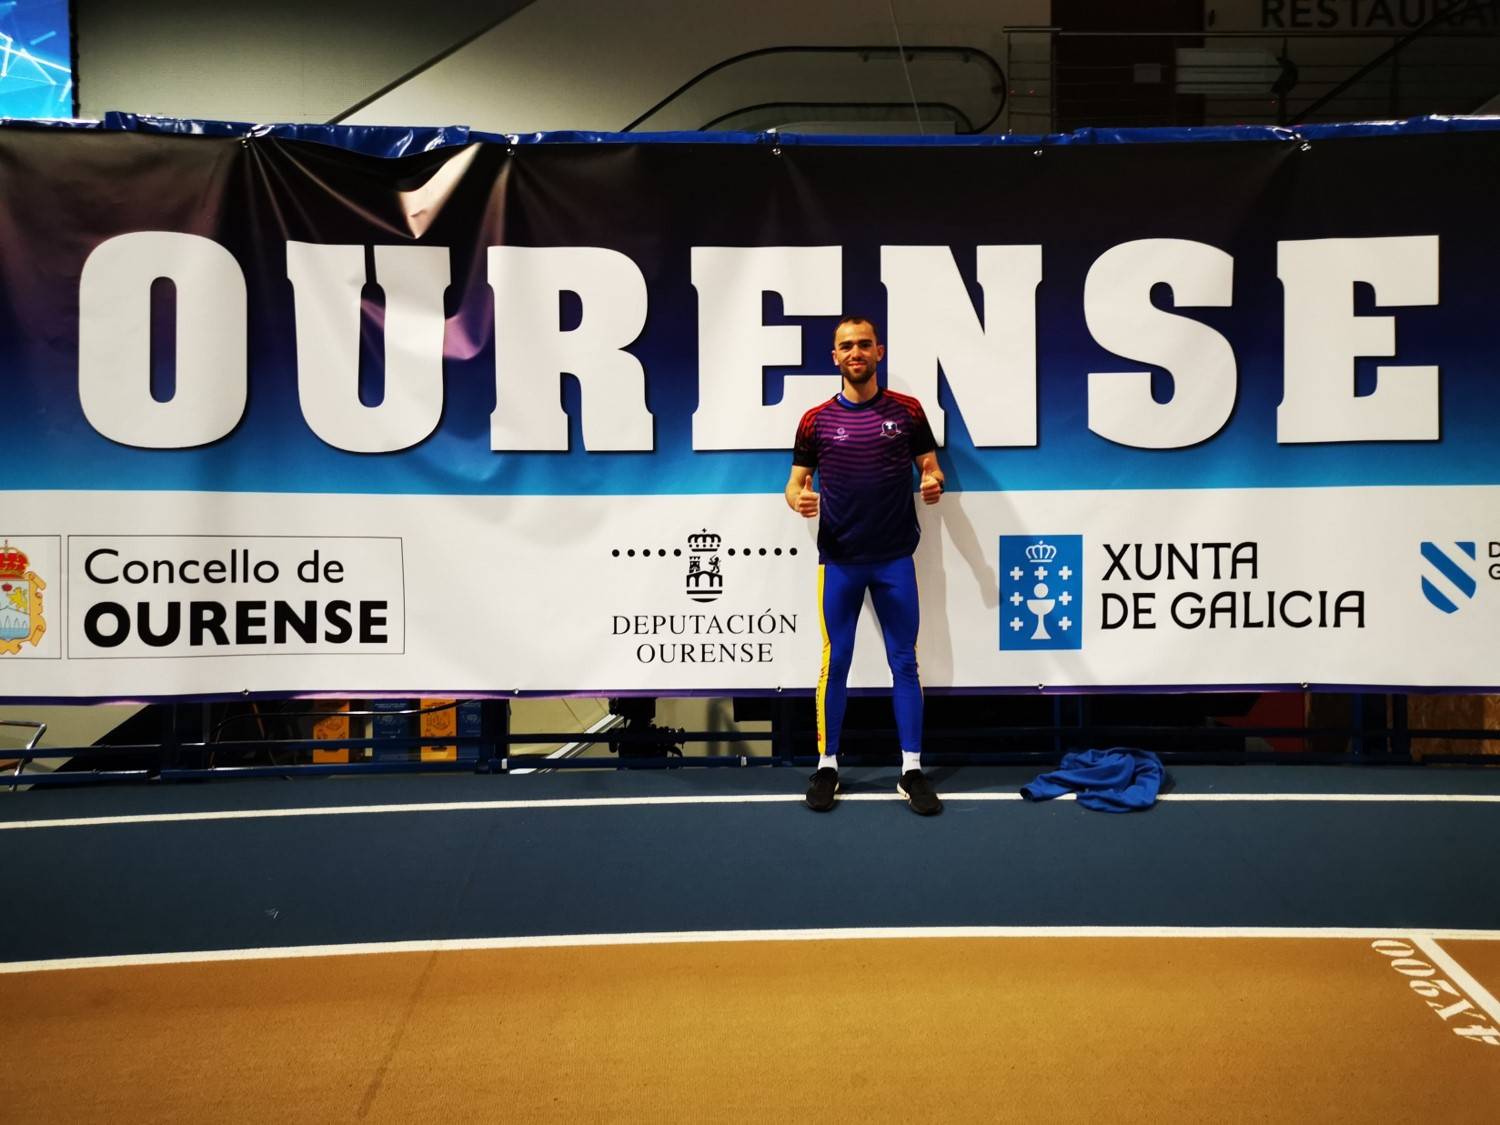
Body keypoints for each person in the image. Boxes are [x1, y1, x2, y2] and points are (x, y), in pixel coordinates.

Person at [785, 316, 945, 815]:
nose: (855, 352)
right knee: (837, 663)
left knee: (905, 663)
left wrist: (933, 481)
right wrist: (799, 500)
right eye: (845, 346)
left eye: (863, 345)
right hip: (840, 562)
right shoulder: (815, 420)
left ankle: (911, 769)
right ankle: (828, 766)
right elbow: (794, 484)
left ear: (879, 351)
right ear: (834, 357)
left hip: (895, 560)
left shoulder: (909, 412)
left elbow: (931, 465)